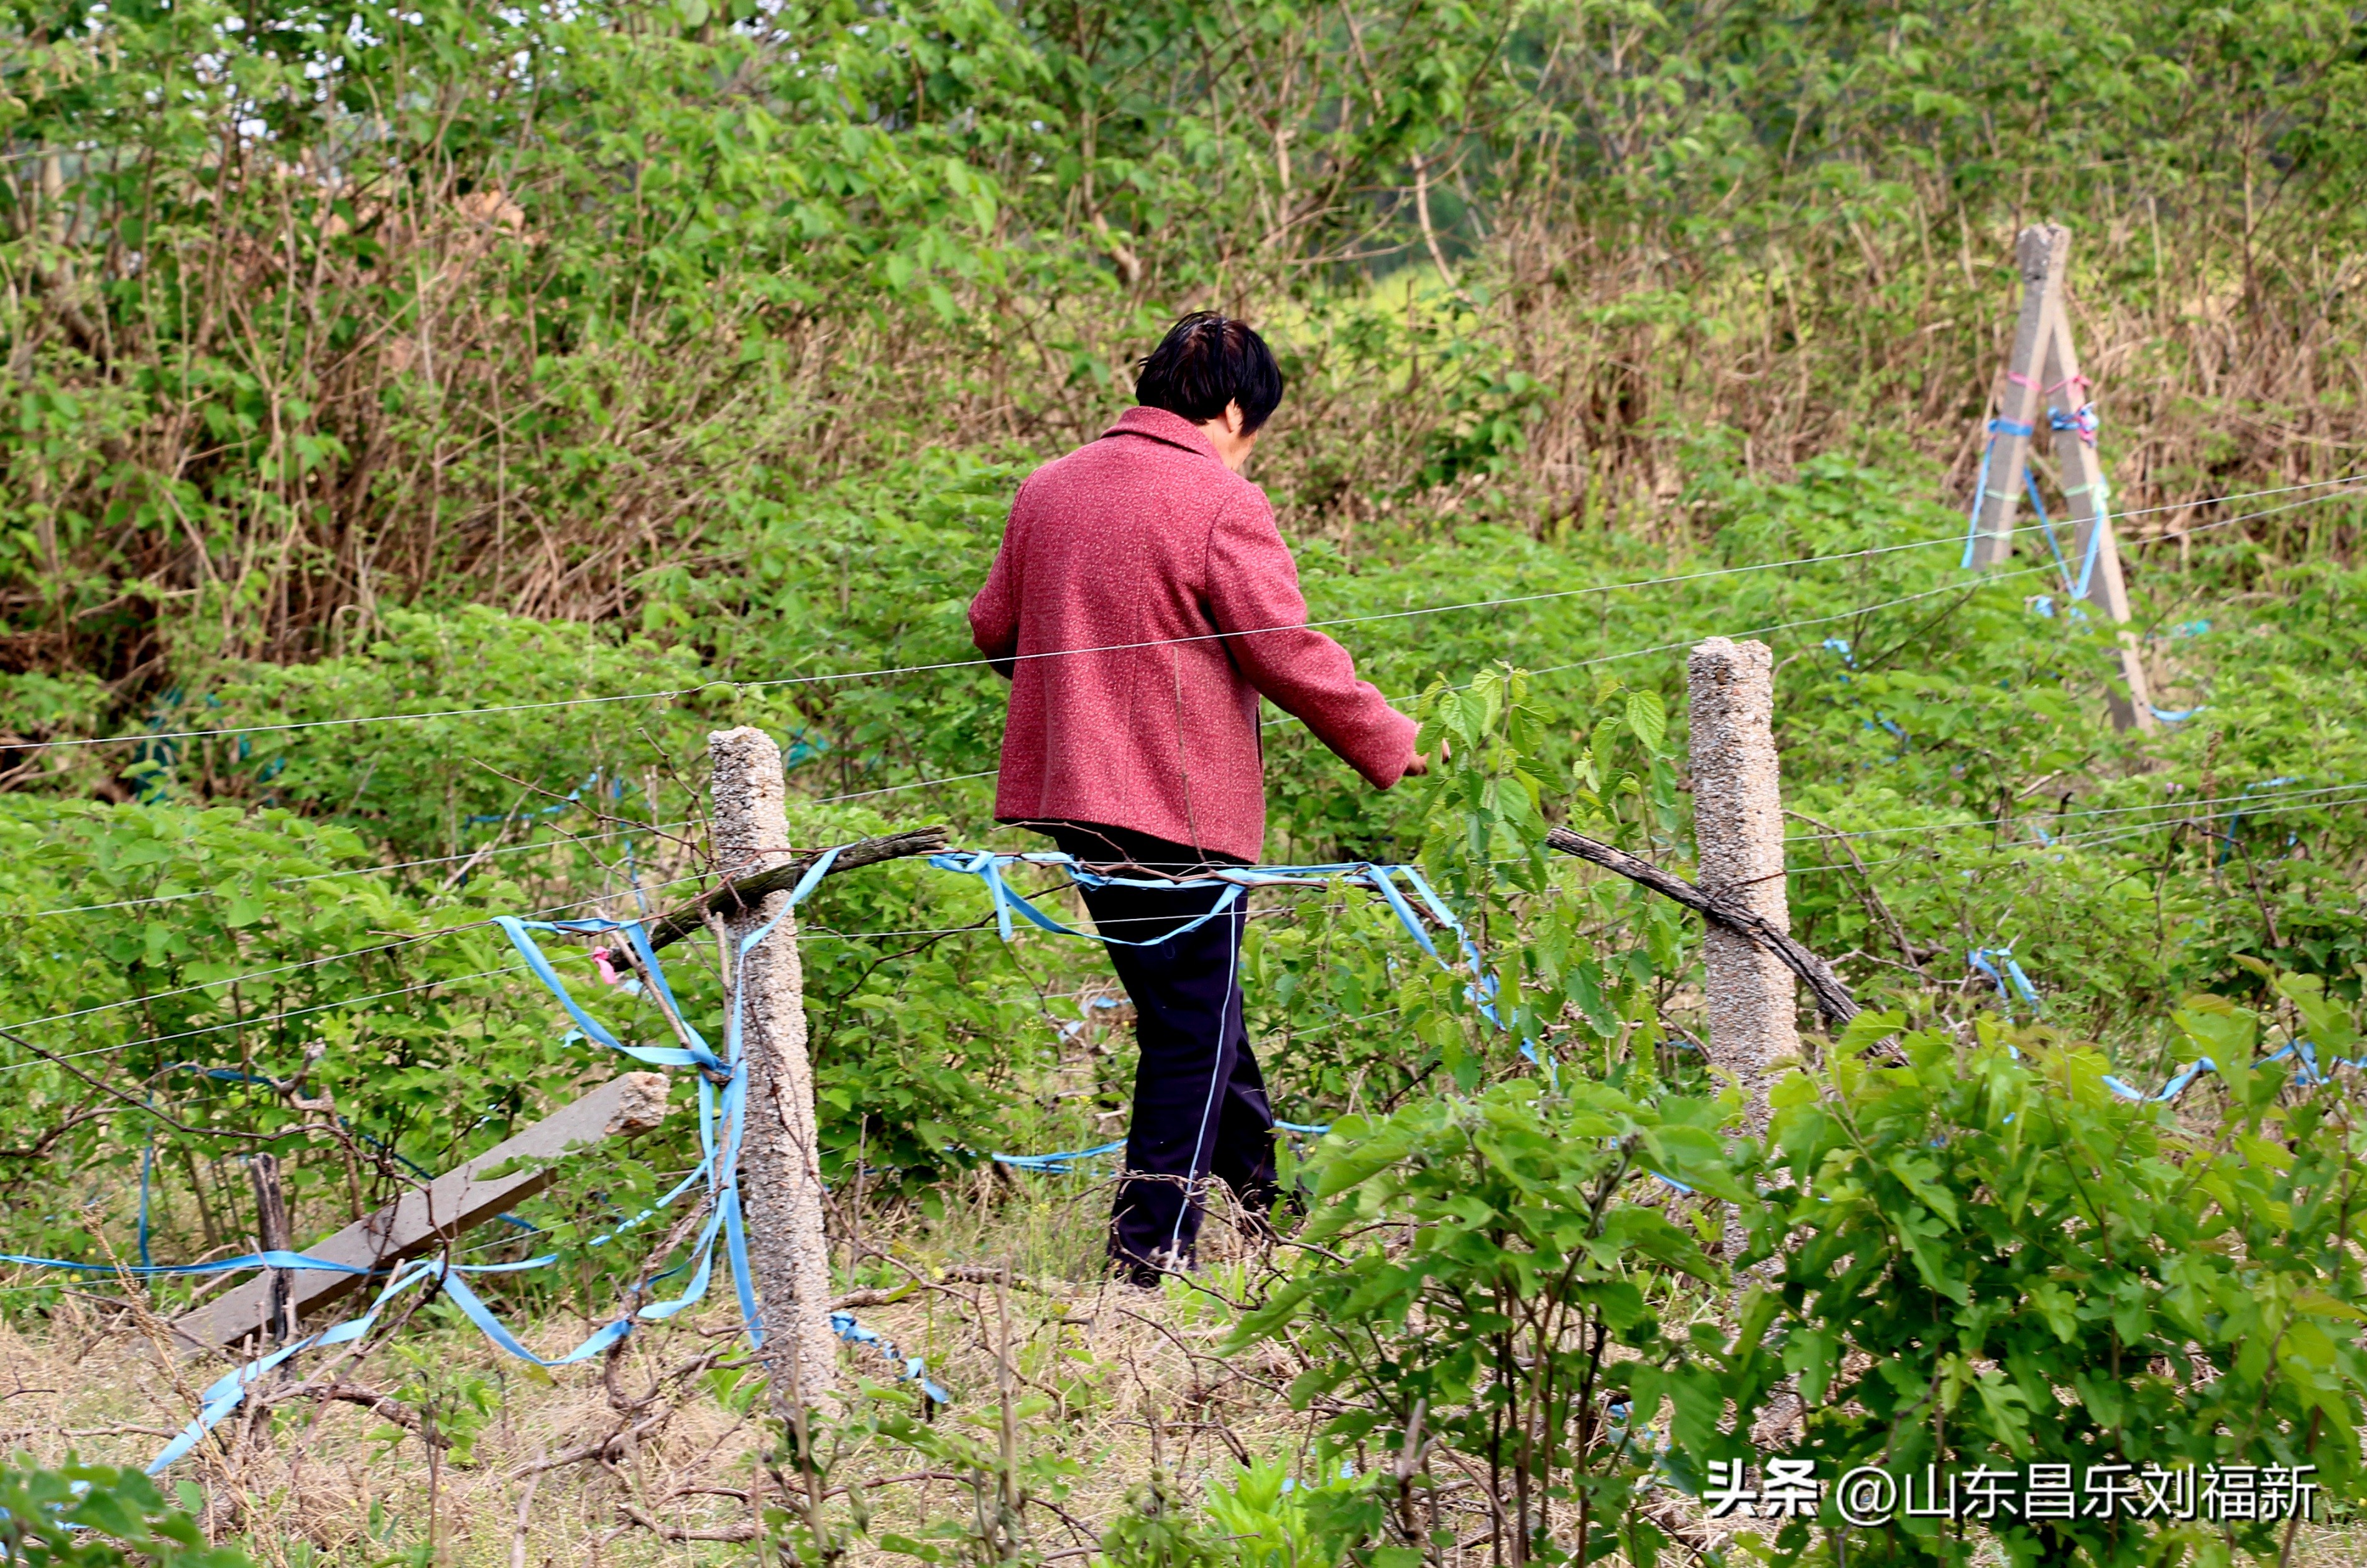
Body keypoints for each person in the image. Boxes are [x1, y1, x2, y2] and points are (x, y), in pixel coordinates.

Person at [967, 311, 1424, 1286]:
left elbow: (995, 626)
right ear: (1229, 410)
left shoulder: (1048, 487)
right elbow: (1284, 650)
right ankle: (1146, 1261)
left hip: (1073, 798)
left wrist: (1079, 692)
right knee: (1190, 1027)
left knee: (1198, 1011)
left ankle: (1269, 1213)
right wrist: (1392, 738)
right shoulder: (1220, 500)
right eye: (1253, 429)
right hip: (1175, 805)